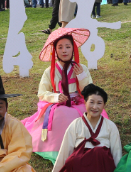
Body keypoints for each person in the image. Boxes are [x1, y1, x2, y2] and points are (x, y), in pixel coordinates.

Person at [21, 28, 105, 162]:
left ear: (73, 49)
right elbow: (42, 93)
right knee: (63, 114)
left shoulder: (81, 68)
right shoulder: (49, 72)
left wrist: (81, 77)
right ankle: (58, 148)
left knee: (89, 111)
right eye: (60, 47)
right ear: (55, 51)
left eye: (68, 47)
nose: (64, 50)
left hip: (79, 102)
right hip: (58, 104)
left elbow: (90, 92)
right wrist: (55, 97)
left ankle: (85, 144)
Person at [48, 84, 122, 172]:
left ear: (104, 105)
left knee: (99, 154)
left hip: (101, 164)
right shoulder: (76, 124)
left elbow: (116, 150)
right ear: (85, 103)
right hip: (80, 162)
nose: (95, 107)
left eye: (99, 103)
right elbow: (65, 149)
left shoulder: (110, 126)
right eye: (91, 102)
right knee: (74, 161)